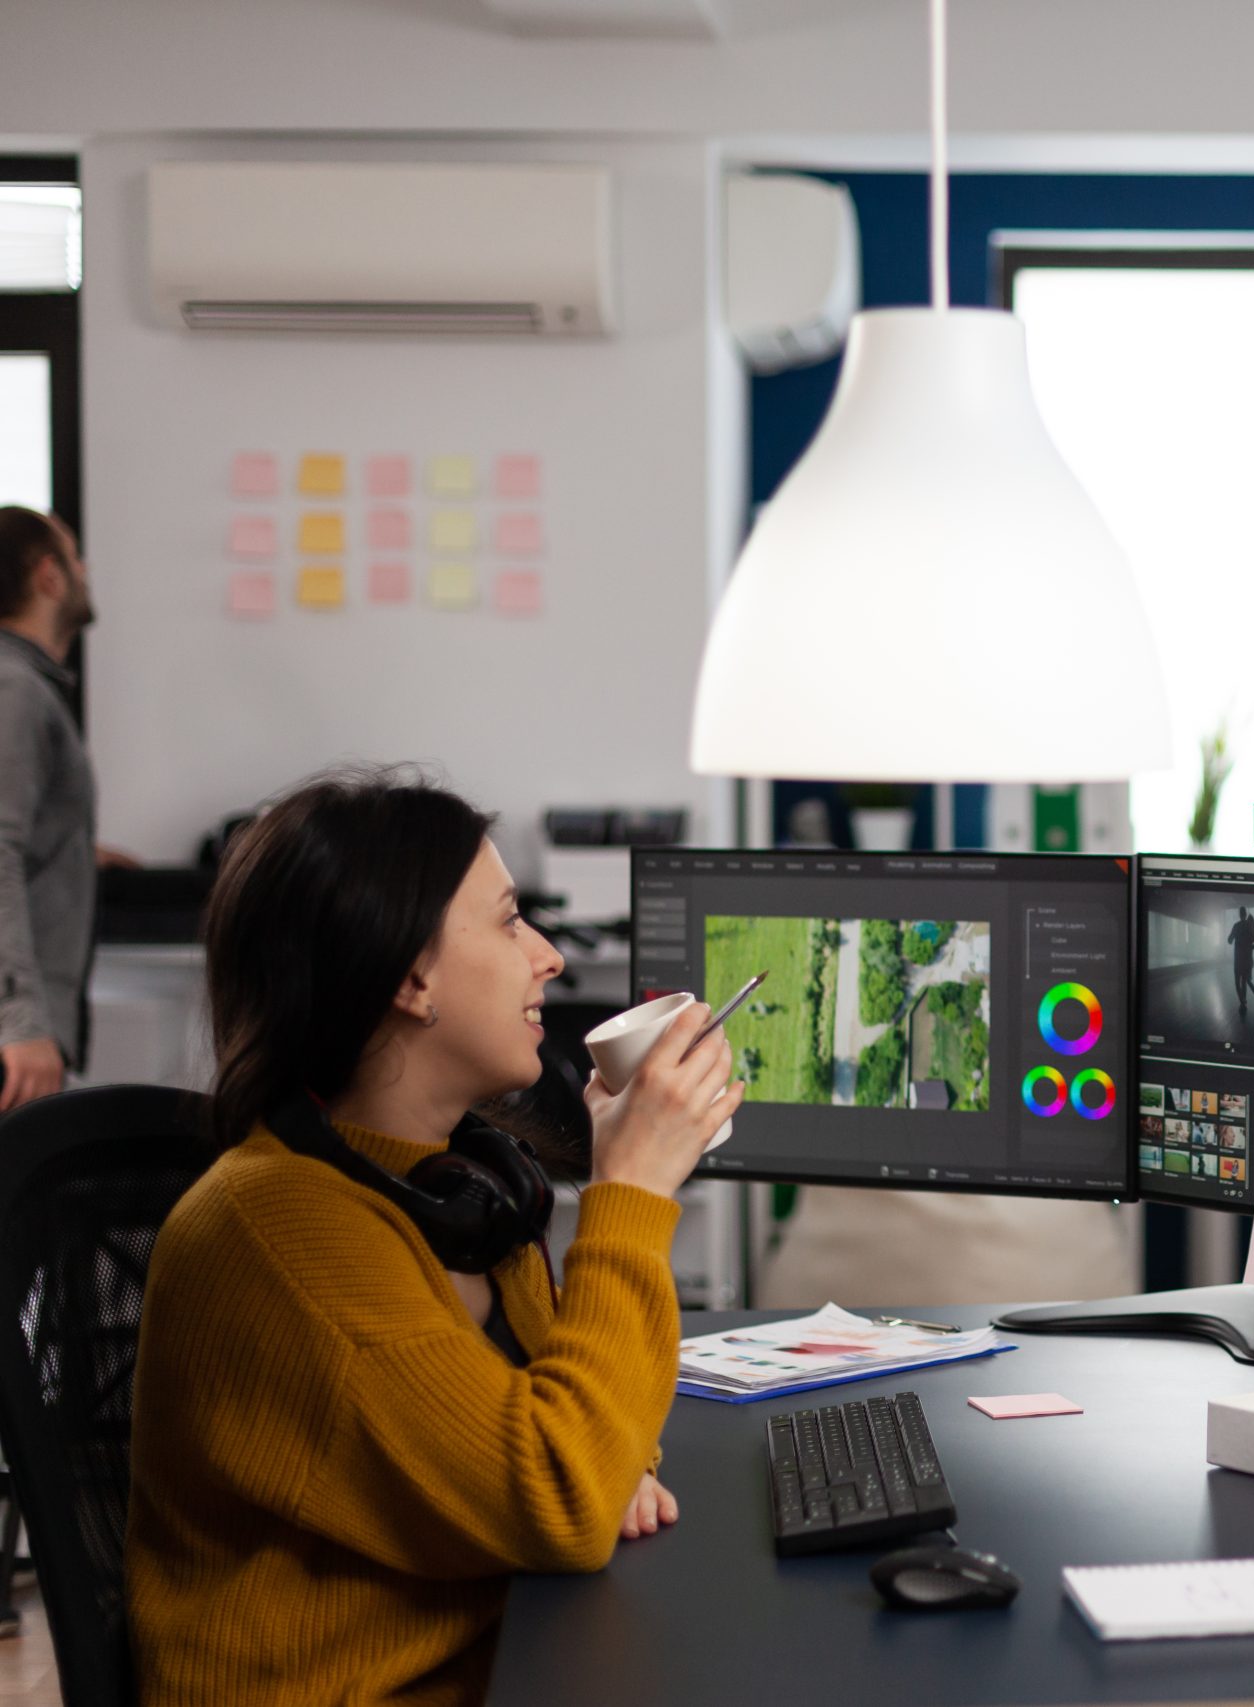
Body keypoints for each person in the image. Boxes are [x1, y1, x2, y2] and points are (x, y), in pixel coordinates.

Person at [125, 770, 746, 1706]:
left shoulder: (460, 1181)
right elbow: (565, 1491)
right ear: (413, 979)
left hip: (511, 1658)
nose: (546, 955)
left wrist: (606, 1457)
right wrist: (631, 1193)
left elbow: (580, 1417)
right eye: (507, 921)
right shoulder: (278, 1235)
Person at [0, 507, 112, 1113]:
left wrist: (72, 845)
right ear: (48, 576)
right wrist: (17, 1021)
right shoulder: (13, 688)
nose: (84, 570)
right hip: (9, 1041)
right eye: (73, 556)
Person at [1229, 904, 1254, 1016]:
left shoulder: (1236, 926)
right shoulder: (1249, 927)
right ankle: (1245, 1001)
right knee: (1245, 981)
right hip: (1247, 960)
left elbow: (1229, 940)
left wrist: (1234, 939)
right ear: (1245, 914)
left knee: (1237, 982)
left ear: (1239, 914)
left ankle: (1243, 1002)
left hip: (1238, 959)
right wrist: (1250, 948)